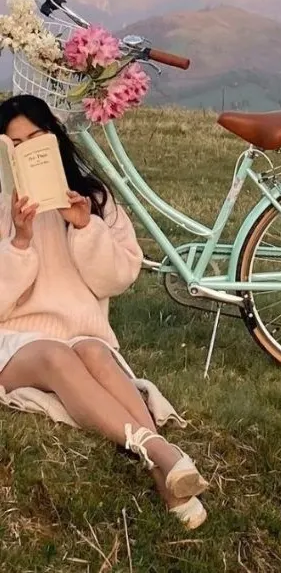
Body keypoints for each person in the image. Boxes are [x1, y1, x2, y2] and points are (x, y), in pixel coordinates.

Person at [0, 94, 208, 529]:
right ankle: (163, 451)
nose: (27, 150)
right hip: (15, 342)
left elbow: (118, 278)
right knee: (57, 355)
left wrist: (84, 226)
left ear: (55, 139)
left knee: (94, 352)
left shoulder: (93, 198)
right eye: (14, 144)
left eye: (36, 139)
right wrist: (19, 242)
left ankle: (162, 474)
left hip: (80, 332)